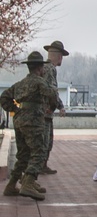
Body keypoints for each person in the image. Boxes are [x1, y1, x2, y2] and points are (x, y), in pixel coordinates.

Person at [1, 51, 61, 200]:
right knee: (39, 151)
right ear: (40, 68)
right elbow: (52, 95)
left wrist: (14, 109)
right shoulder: (40, 82)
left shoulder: (20, 84)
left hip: (19, 119)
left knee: (23, 154)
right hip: (34, 120)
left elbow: (4, 97)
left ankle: (12, 184)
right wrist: (52, 107)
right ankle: (28, 182)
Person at [40, 40, 69, 175]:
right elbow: (52, 91)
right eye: (61, 56)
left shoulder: (44, 68)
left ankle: (42, 166)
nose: (61, 59)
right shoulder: (49, 69)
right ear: (59, 56)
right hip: (43, 113)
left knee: (47, 141)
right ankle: (37, 168)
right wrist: (61, 106)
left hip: (44, 112)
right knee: (44, 142)